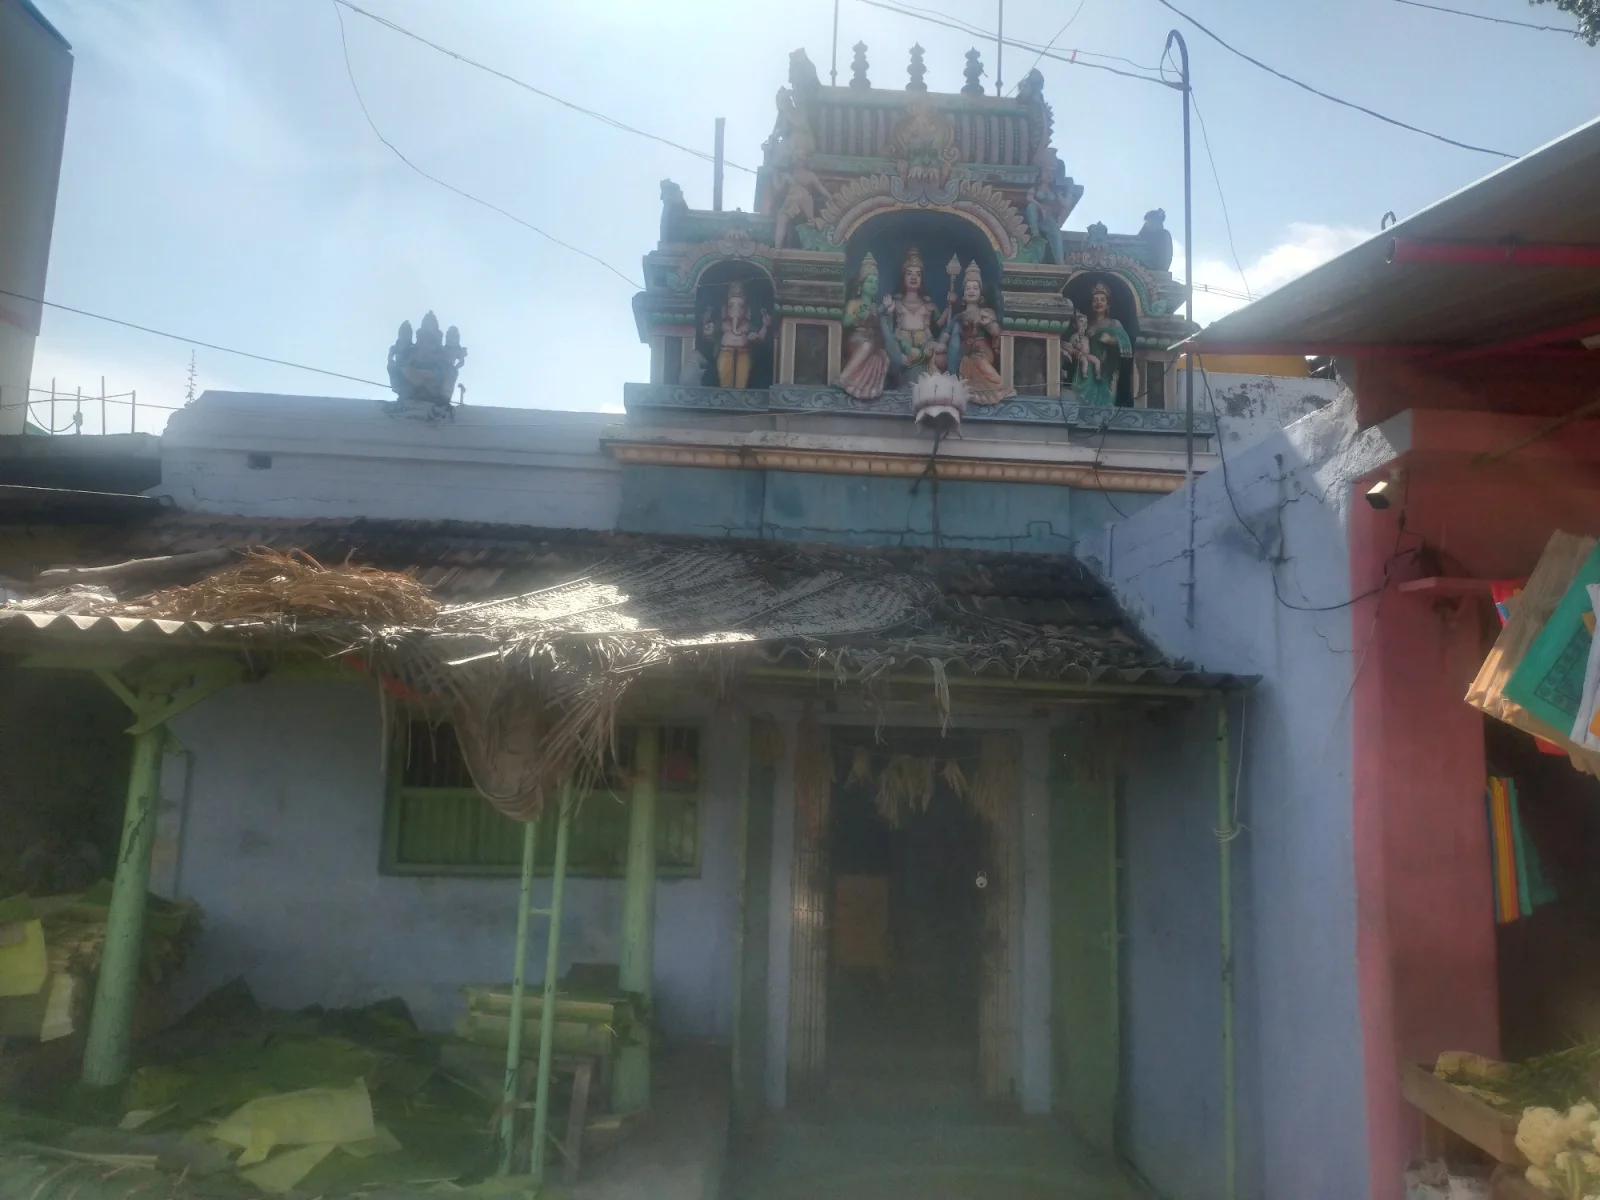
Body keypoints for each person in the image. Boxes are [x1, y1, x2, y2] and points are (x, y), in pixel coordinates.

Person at [882, 246, 948, 386]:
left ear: (921, 279)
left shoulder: (928, 304)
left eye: (918, 274)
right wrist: (888, 311)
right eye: (909, 273)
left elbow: (941, 323)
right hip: (903, 345)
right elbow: (887, 329)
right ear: (903, 277)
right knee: (898, 358)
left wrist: (950, 306)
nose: (913, 277)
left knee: (941, 358)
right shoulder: (897, 303)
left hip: (925, 345)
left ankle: (936, 382)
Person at [951, 260, 1012, 406]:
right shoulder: (959, 316)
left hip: (983, 350)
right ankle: (974, 394)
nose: (971, 291)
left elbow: (997, 332)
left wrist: (989, 324)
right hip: (967, 351)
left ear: (981, 294)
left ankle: (1000, 387)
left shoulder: (986, 312)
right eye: (968, 288)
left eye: (975, 288)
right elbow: (949, 332)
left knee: (979, 362)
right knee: (965, 362)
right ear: (964, 295)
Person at [838, 253, 891, 401]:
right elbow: (845, 323)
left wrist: (885, 312)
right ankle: (843, 378)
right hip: (856, 340)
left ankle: (865, 388)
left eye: (876, 281)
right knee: (867, 346)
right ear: (861, 285)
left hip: (872, 341)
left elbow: (880, 324)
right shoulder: (854, 303)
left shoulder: (875, 307)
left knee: (883, 356)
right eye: (870, 281)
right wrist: (857, 316)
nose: (874, 284)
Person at [701, 281, 771, 389]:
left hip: (744, 354)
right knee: (724, 379)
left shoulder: (748, 325)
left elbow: (760, 338)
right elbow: (710, 338)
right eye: (731, 306)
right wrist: (708, 333)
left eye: (741, 306)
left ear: (747, 310)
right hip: (725, 353)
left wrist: (764, 326)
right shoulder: (722, 324)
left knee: (742, 381)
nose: (736, 310)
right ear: (725, 309)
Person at [1076, 281, 1132, 407]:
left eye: (1102, 300)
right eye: (1095, 300)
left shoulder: (1114, 323)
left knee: (1107, 400)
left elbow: (1125, 342)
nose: (1099, 303)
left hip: (1108, 369)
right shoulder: (1085, 324)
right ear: (1091, 304)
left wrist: (1111, 340)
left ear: (1108, 304)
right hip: (1088, 366)